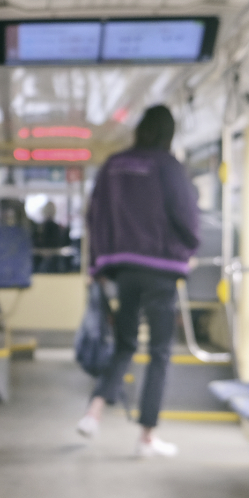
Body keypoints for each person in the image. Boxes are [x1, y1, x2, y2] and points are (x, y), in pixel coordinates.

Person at [76, 105, 200, 458]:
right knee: (159, 352)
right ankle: (146, 436)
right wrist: (189, 246)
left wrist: (97, 265)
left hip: (123, 268)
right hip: (161, 267)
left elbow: (94, 215)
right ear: (168, 134)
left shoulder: (113, 165)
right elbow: (187, 215)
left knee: (124, 344)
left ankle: (94, 411)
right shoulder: (168, 166)